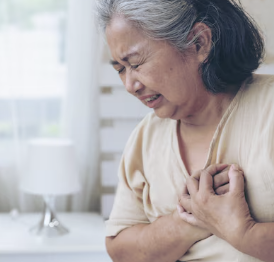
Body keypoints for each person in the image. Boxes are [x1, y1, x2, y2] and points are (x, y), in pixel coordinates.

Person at [95, 0, 274, 261]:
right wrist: (191, 219)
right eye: (120, 69)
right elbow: (121, 250)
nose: (130, 85)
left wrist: (243, 233)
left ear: (199, 43)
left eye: (135, 63)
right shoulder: (146, 137)